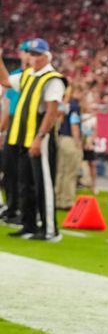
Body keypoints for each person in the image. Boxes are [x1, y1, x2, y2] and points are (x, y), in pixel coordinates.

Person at [0, 38, 67, 242]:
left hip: (40, 139)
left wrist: (40, 137)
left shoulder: (53, 79)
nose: (33, 58)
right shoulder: (28, 75)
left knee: (43, 185)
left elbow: (52, 112)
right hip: (22, 138)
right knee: (25, 184)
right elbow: (5, 81)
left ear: (47, 56)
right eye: (31, 54)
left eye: (38, 54)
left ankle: (50, 230)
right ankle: (28, 225)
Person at [0, 41, 31, 224]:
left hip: (28, 125)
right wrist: (2, 130)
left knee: (23, 173)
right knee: (10, 171)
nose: (28, 56)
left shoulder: (36, 76)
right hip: (14, 125)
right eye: (26, 52)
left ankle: (23, 210)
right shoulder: (16, 76)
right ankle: (12, 208)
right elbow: (8, 107)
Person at [55, 84, 83, 210]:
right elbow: (74, 125)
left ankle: (58, 198)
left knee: (61, 171)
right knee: (70, 172)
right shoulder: (74, 106)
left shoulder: (64, 104)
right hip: (70, 139)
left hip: (61, 138)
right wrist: (78, 142)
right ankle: (68, 200)